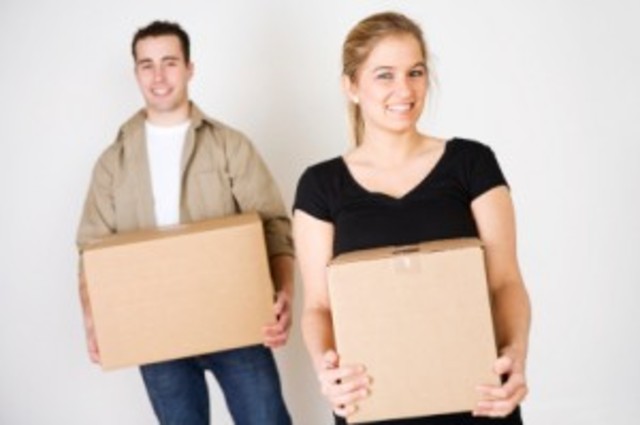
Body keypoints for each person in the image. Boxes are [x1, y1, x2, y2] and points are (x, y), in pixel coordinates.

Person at [293, 11, 531, 425]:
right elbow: (317, 306)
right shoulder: (320, 186)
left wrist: (515, 354)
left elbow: (505, 282)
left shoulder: (472, 164)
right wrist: (326, 370)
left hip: (477, 398)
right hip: (372, 401)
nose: (404, 89)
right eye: (384, 75)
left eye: (415, 72)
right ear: (352, 86)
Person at [76, 20, 294, 425]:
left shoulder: (229, 145)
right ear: (136, 73)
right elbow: (91, 250)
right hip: (156, 333)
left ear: (190, 68)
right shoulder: (112, 163)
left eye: (170, 62)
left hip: (236, 321)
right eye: (147, 65)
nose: (158, 76)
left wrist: (284, 294)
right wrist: (93, 319)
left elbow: (275, 227)